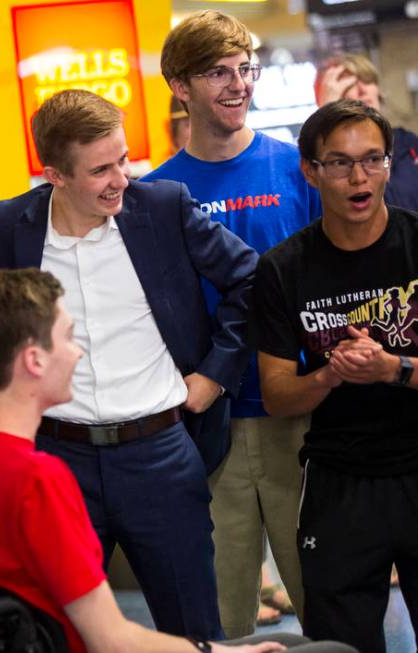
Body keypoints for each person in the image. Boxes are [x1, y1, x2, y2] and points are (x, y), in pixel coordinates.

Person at [0, 268, 355, 653]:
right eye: (69, 337)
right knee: (317, 648)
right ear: (34, 361)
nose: (78, 352)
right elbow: (112, 639)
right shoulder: (38, 479)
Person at [0, 88, 258, 640]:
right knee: (63, 632)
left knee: (193, 630)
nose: (121, 177)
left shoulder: (164, 208)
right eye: (101, 169)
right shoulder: (5, 229)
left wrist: (215, 374)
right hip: (53, 460)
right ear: (54, 175)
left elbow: (251, 280)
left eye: (122, 159)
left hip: (161, 456)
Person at [143, 9, 322, 636]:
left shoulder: (298, 170)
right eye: (218, 71)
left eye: (246, 68)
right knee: (221, 621)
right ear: (180, 86)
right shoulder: (154, 196)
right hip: (204, 427)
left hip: (298, 415)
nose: (238, 84)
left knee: (324, 601)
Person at [251, 99, 418, 652]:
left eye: (373, 159)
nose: (359, 176)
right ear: (311, 171)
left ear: (391, 165)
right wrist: (329, 377)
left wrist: (392, 369)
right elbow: (276, 395)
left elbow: (395, 369)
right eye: (341, 163)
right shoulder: (283, 268)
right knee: (340, 646)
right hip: (340, 482)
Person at [315, 52, 418, 212]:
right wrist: (327, 117)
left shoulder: (409, 143)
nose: (363, 90)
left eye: (367, 80)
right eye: (350, 85)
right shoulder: (329, 162)